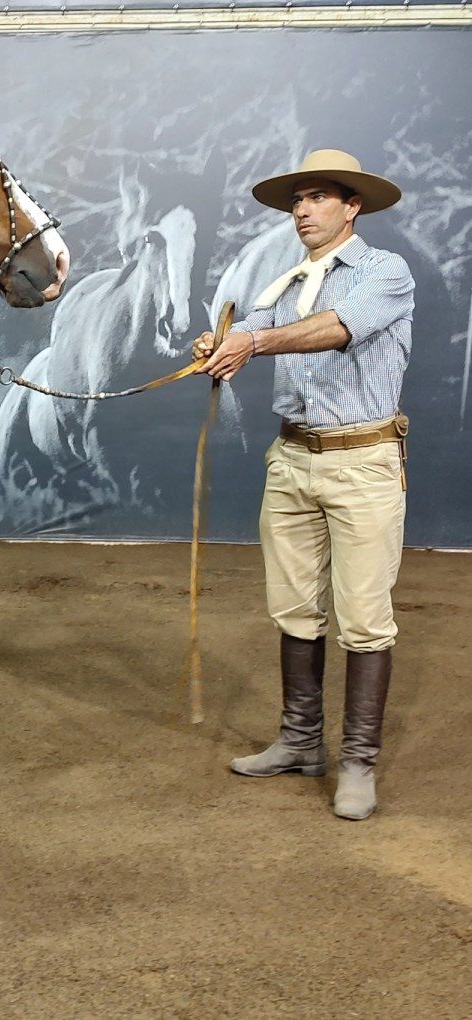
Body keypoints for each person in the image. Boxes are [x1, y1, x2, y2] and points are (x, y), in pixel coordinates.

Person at [192, 149, 413, 820]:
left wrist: (254, 346)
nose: (302, 210)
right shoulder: (285, 281)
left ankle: (358, 763)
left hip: (363, 462)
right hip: (291, 460)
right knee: (294, 609)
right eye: (297, 200)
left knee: (366, 622)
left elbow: (335, 327)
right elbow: (255, 328)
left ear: (353, 207)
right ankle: (300, 741)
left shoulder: (384, 272)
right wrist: (219, 342)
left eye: (318, 197)